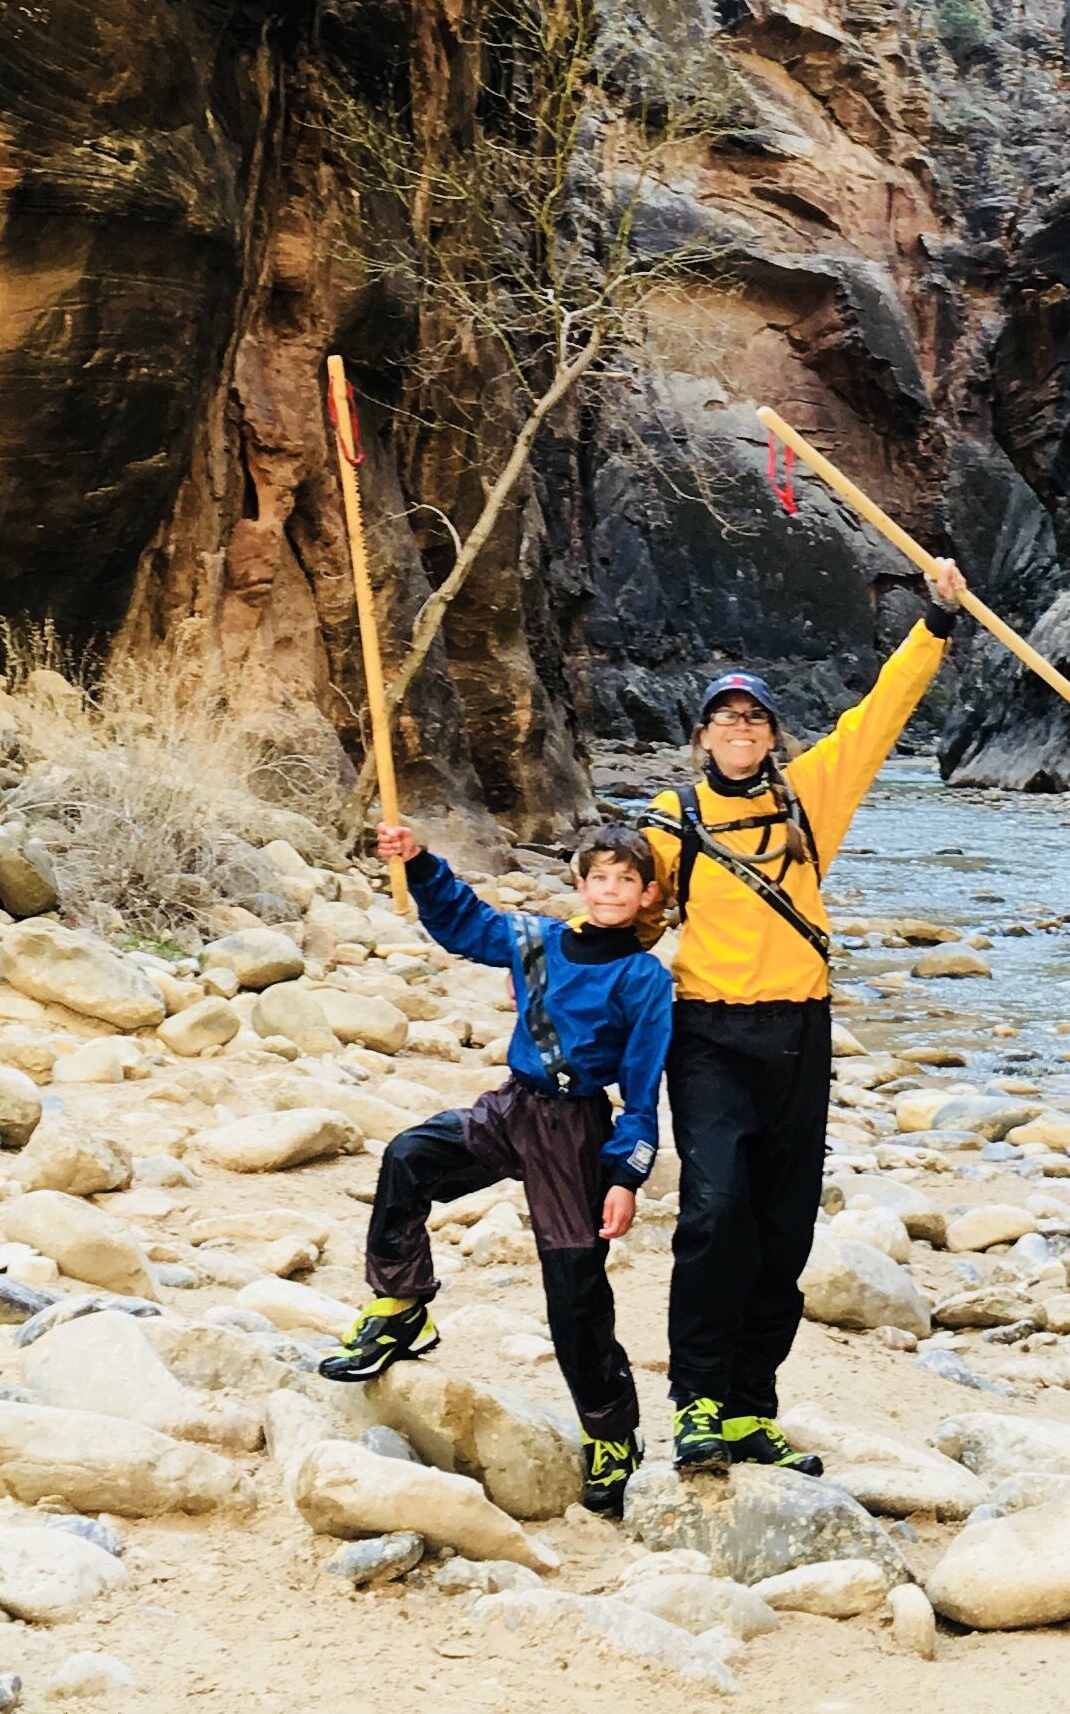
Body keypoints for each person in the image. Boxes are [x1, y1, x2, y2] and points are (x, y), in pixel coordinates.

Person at [639, 562, 967, 1476]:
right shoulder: (670, 820)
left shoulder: (812, 797)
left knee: (783, 1231)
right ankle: (697, 1404)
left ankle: (750, 1410)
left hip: (799, 1038)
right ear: (703, 736)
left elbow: (880, 714)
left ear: (771, 734)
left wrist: (937, 618)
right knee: (711, 1216)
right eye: (725, 719)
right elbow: (622, 910)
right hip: (708, 1036)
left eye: (754, 718)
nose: (740, 731)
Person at [319, 821, 675, 1517]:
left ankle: (611, 1435)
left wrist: (626, 1176)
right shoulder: (537, 940)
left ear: (647, 894)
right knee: (409, 1158)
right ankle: (400, 1308)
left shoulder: (644, 977)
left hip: (574, 1133)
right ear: (579, 884)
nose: (610, 890)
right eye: (599, 877)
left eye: (626, 881)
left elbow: (641, 1087)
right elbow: (464, 925)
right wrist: (419, 864)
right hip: (509, 1109)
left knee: (575, 1294)